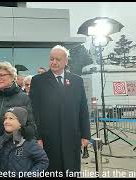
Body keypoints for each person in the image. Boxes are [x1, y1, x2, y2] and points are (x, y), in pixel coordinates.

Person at [29, 45, 91, 174]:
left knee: (71, 170)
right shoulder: (38, 81)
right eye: (52, 59)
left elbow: (83, 109)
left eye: (58, 59)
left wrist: (85, 135)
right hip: (48, 139)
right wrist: (37, 137)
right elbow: (34, 111)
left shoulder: (77, 81)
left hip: (72, 137)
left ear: (66, 61)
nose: (54, 62)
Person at [0, 61, 38, 171]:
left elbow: (31, 128)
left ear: (13, 76)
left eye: (2, 75)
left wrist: (16, 132)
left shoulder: (24, 98)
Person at [0, 107, 48, 174]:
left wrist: (30, 175)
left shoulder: (29, 141)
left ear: (21, 123)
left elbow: (43, 161)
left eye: (11, 118)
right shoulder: (1, 140)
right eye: (5, 118)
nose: (6, 121)